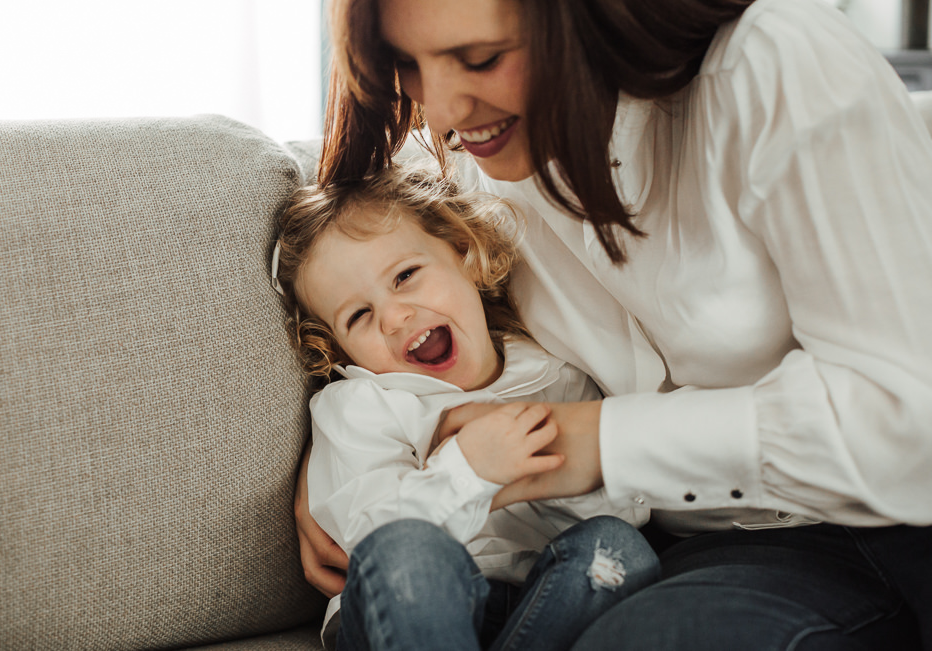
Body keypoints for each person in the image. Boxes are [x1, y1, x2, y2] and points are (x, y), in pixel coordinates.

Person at [294, 0, 932, 648]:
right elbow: (359, 253)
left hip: (884, 521)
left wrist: (599, 440)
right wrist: (353, 446)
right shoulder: (479, 168)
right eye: (409, 65)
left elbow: (909, 421)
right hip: (703, 542)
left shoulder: (775, 67)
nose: (444, 114)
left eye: (482, 58)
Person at [271, 166, 660, 650]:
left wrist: (540, 472)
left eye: (405, 276)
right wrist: (469, 471)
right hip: (411, 609)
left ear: (463, 252)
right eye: (358, 316)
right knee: (408, 546)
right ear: (340, 348)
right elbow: (371, 542)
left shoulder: (554, 372)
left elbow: (625, 506)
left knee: (618, 546)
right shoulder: (363, 405)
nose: (394, 317)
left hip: (542, 600)